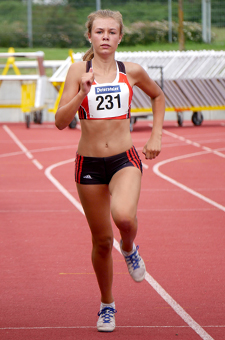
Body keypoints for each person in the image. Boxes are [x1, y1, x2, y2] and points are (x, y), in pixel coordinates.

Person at [55, 9, 165, 333]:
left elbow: (158, 96)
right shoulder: (78, 70)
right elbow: (61, 121)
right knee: (102, 241)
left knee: (124, 218)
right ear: (89, 35)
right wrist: (81, 93)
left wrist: (156, 135)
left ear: (120, 37)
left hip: (124, 160)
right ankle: (107, 304)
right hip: (88, 164)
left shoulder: (131, 71)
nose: (105, 37)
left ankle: (130, 247)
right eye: (99, 31)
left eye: (111, 32)